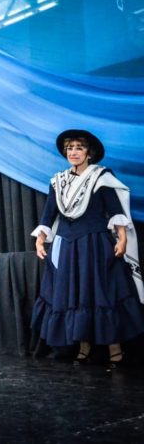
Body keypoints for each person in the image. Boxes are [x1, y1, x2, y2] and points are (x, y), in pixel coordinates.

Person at [31, 130, 144, 368]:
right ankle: (83, 347)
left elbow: (115, 211)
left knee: (101, 293)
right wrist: (40, 239)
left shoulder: (101, 177)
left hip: (94, 243)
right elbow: (49, 214)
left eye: (79, 147)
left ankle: (115, 349)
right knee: (75, 294)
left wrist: (122, 239)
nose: (73, 152)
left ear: (89, 153)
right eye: (69, 148)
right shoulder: (57, 181)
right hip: (67, 245)